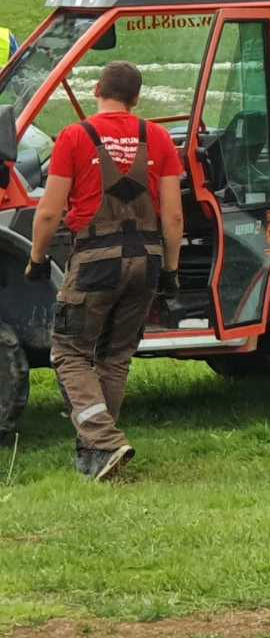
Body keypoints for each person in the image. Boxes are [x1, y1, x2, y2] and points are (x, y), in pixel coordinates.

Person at [25, 61, 183, 481]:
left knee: (69, 352)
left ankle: (106, 441)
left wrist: (37, 260)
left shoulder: (76, 136)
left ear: (97, 89)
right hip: (146, 259)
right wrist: (170, 268)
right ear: (136, 98)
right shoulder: (159, 137)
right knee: (114, 357)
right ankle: (98, 452)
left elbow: (49, 212)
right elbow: (173, 217)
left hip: (96, 260)